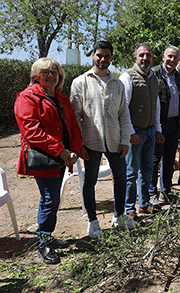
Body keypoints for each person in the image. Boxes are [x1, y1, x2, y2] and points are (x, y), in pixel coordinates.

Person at [15, 58, 82, 265]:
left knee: (52, 199)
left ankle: (47, 235)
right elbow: (32, 132)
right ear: (36, 76)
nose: (51, 75)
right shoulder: (27, 98)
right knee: (49, 199)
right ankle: (43, 241)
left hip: (62, 157)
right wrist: (62, 152)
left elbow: (73, 125)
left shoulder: (61, 98)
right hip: (44, 159)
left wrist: (75, 151)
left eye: (54, 71)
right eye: (46, 72)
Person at [70, 40, 133, 235]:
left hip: (115, 140)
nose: (103, 59)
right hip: (91, 141)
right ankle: (92, 221)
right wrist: (79, 144)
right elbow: (75, 116)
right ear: (92, 56)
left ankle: (119, 216)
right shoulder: (81, 82)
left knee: (121, 179)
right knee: (90, 182)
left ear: (112, 58)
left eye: (107, 56)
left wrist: (125, 141)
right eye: (99, 55)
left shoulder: (118, 84)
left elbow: (123, 114)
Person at [119, 43, 162, 219]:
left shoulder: (154, 78)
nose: (145, 58)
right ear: (135, 58)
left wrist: (157, 128)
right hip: (135, 132)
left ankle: (144, 204)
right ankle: (129, 208)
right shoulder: (127, 76)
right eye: (141, 55)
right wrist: (130, 132)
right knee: (131, 172)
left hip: (150, 130)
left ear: (152, 58)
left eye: (148, 55)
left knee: (147, 170)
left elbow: (157, 104)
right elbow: (124, 107)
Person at [149, 45, 180, 206]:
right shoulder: (154, 73)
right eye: (169, 56)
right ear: (163, 56)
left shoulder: (178, 77)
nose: (172, 60)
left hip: (174, 123)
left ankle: (166, 191)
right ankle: (151, 193)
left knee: (169, 159)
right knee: (155, 159)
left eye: (175, 57)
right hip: (158, 123)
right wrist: (156, 126)